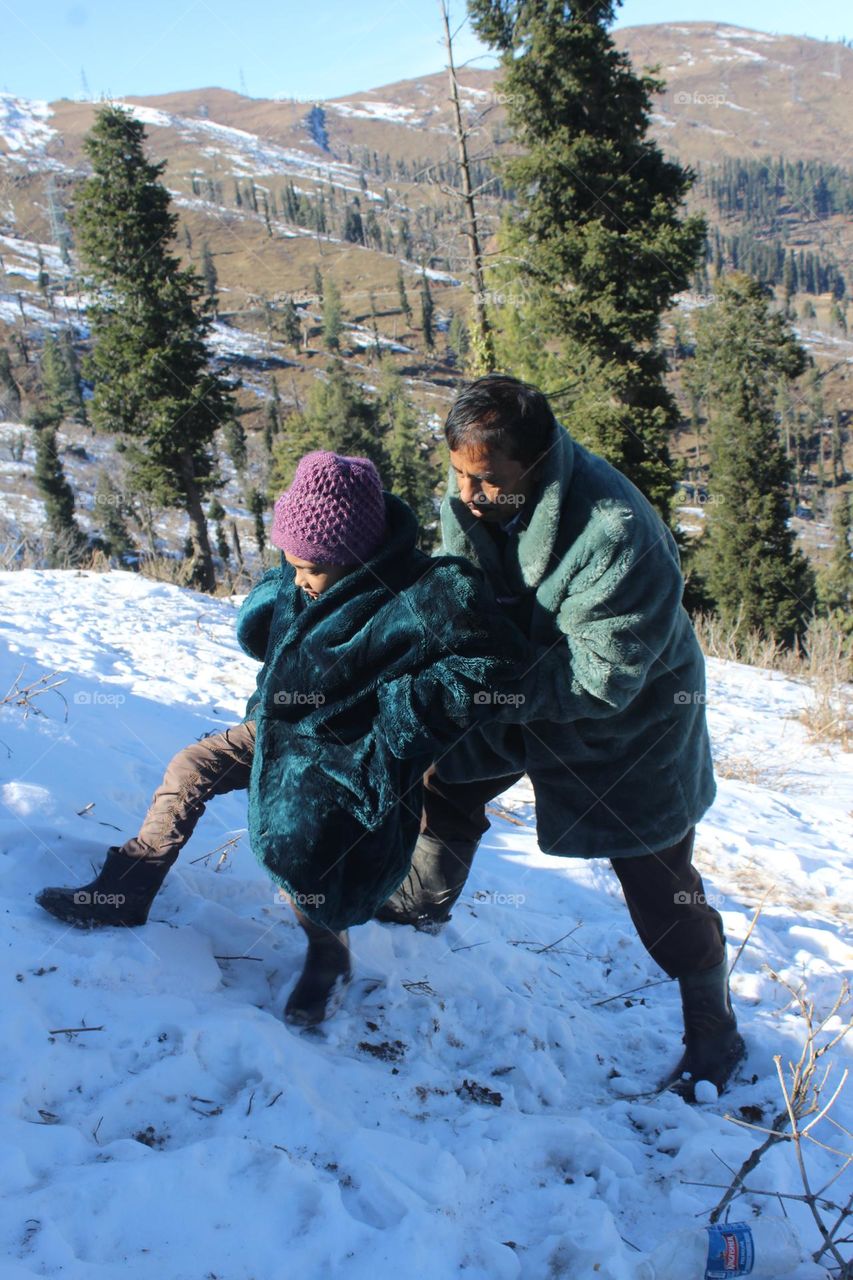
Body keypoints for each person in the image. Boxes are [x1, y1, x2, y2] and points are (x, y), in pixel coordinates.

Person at [36, 451, 525, 1027]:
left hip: (354, 750)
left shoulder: (428, 596)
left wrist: (397, 718)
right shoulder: (303, 579)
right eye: (290, 563)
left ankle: (328, 952)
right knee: (192, 766)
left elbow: (491, 668)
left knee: (306, 837)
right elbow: (273, 629)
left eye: (310, 568)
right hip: (278, 729)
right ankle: (128, 887)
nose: (297, 578)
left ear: (357, 558)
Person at [375, 374, 746, 1100]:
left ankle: (715, 1033)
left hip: (629, 723)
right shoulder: (475, 488)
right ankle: (421, 900)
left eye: (484, 481)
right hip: (512, 678)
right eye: (457, 476)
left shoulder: (615, 531)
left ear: (538, 463)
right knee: (446, 780)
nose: (467, 495)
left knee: (660, 891)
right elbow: (460, 582)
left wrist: (482, 688)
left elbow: (600, 678)